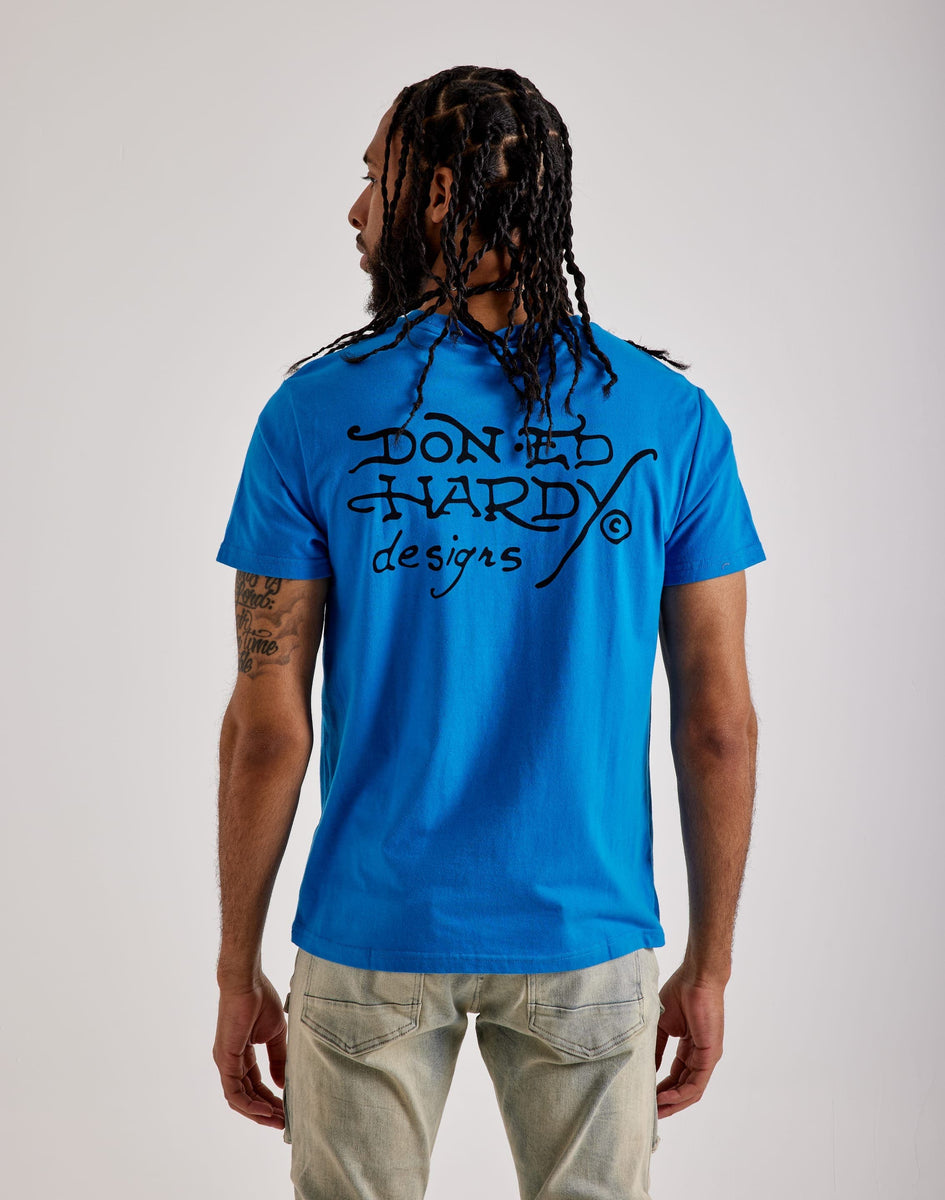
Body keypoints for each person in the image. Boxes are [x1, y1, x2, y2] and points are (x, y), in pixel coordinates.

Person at [212, 65, 766, 1200]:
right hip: (586, 936)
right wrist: (709, 965)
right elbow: (718, 724)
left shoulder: (311, 416)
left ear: (435, 193)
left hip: (371, 928)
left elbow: (268, 729)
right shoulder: (668, 418)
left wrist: (236, 969)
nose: (354, 208)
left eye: (372, 175)